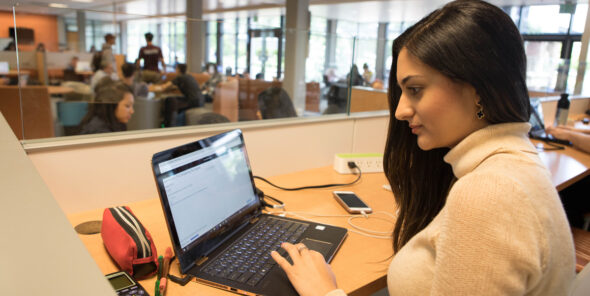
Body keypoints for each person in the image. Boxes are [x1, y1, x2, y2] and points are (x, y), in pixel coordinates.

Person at [270, 1, 575, 295]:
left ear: (479, 89)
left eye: (415, 90)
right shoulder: (509, 164)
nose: (401, 110)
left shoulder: (489, 193)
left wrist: (325, 292)